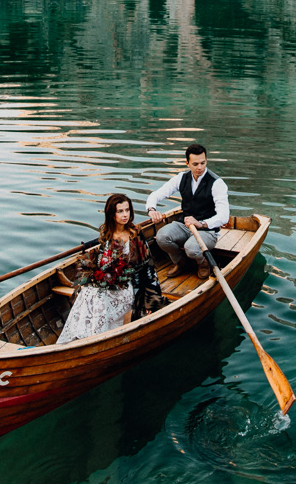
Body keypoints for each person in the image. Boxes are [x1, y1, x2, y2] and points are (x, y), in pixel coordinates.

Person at [58, 193, 149, 344]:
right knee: (87, 291)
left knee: (97, 295)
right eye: (120, 211)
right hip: (109, 282)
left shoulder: (135, 234)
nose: (125, 215)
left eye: (127, 210)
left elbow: (147, 266)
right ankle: (83, 335)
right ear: (112, 214)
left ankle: (96, 337)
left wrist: (150, 298)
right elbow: (103, 260)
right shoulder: (106, 233)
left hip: (126, 284)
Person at [146, 143, 229, 278]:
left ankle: (203, 263)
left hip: (207, 231)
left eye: (203, 163)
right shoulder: (181, 178)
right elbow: (156, 195)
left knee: (191, 248)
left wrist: (201, 224)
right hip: (184, 225)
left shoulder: (217, 183)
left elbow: (224, 216)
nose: (200, 167)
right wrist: (151, 209)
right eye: (195, 164)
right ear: (187, 163)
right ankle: (180, 262)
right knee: (161, 237)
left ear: (206, 160)